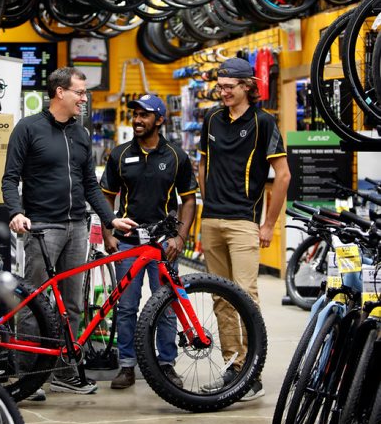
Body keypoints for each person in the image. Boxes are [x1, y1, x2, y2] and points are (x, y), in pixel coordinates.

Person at [1, 66, 136, 395]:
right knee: (35, 302)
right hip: (43, 227)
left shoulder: (80, 133)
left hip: (77, 226)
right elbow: (9, 179)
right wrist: (17, 213)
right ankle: (29, 378)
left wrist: (109, 219)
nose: (84, 98)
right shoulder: (28, 128)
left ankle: (64, 372)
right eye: (79, 92)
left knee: (72, 304)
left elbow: (91, 185)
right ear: (60, 92)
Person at [198, 57, 291, 401]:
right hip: (212, 221)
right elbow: (204, 163)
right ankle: (234, 368)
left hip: (243, 222)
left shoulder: (264, 122)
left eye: (228, 87)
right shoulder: (211, 118)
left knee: (246, 296)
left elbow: (282, 176)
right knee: (220, 299)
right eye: (219, 86)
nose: (222, 92)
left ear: (247, 87)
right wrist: (208, 208)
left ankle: (254, 372)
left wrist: (268, 224)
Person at [101, 94, 198, 390]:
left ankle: (166, 364)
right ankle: (127, 366)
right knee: (127, 307)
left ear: (159, 120)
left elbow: (189, 200)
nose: (137, 120)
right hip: (128, 242)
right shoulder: (118, 154)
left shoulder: (177, 156)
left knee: (166, 306)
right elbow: (107, 196)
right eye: (135, 115)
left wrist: (180, 237)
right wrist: (108, 233)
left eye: (144, 115)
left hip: (163, 244)